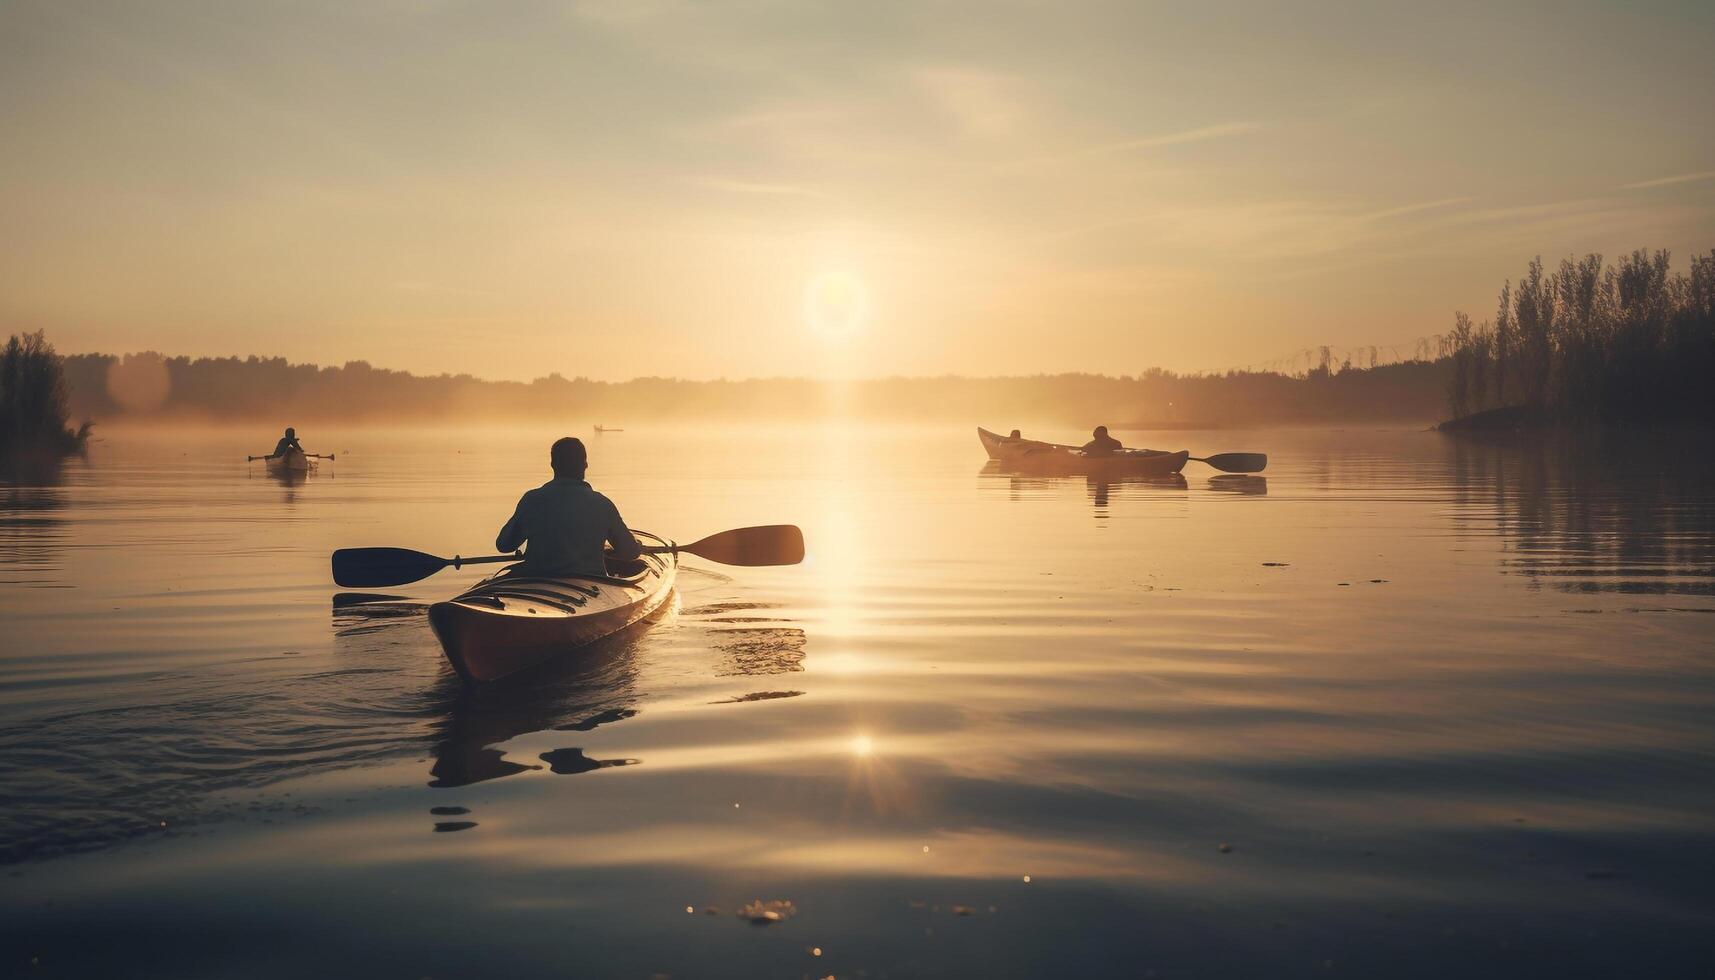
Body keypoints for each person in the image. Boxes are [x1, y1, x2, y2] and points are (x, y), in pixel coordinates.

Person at [496, 436, 642, 577]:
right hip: (590, 583)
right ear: (585, 465)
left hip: (536, 579)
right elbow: (630, 553)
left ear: (552, 464)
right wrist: (613, 550)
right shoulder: (602, 504)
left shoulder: (531, 500)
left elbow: (504, 545)